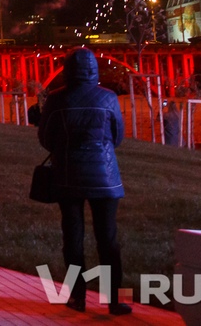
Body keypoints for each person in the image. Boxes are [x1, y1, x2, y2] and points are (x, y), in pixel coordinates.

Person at [38, 47, 131, 315]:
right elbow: (118, 136)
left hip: (68, 176)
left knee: (73, 238)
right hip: (105, 177)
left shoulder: (57, 99)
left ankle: (77, 297)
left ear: (67, 70)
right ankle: (115, 300)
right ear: (94, 70)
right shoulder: (109, 98)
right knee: (108, 239)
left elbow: (45, 138)